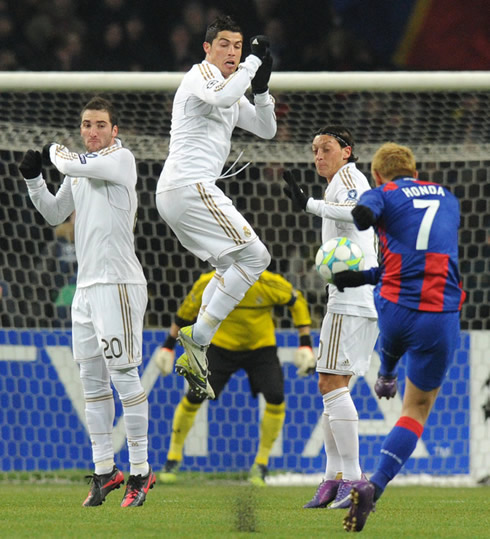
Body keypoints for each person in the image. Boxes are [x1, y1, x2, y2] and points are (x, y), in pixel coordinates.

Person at [18, 96, 155, 508]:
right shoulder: (79, 171)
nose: (92, 131)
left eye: (100, 125)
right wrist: (32, 180)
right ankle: (104, 471)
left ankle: (141, 471)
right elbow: (54, 212)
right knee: (92, 385)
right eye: (86, 125)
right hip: (86, 290)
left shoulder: (121, 160)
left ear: (114, 131)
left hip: (119, 285)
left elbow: (68, 161)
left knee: (125, 378)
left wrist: (54, 152)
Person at [331, 142, 466, 532]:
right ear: (416, 171)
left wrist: (364, 217)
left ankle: (386, 370)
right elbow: (425, 256)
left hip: (393, 310)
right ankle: (375, 484)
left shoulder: (383, 193)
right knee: (416, 409)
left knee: (391, 343)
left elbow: (365, 217)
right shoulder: (447, 198)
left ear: (376, 174)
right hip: (439, 314)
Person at [155, 15, 276, 400]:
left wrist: (261, 89)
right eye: (224, 44)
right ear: (207, 49)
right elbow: (222, 96)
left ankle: (196, 350)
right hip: (189, 186)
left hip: (181, 194)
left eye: (238, 47)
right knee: (257, 256)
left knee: (232, 267)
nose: (232, 52)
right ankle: (199, 337)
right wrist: (252, 63)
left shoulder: (229, 90)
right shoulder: (199, 76)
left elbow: (266, 129)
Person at [282, 125, 379, 509]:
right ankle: (331, 478)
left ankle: (354, 479)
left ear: (347, 151)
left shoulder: (350, 177)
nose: (319, 155)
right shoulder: (338, 181)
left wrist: (309, 205)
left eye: (327, 148)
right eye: (315, 150)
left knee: (329, 383)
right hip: (354, 296)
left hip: (350, 295)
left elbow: (359, 216)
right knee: (334, 388)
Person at [154, 269, 315, 486]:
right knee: (194, 395)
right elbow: (186, 311)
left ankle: (261, 463)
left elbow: (297, 301)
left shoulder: (268, 283)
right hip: (220, 347)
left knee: (276, 397)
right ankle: (172, 459)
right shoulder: (209, 282)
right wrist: (168, 346)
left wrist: (305, 342)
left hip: (261, 348)